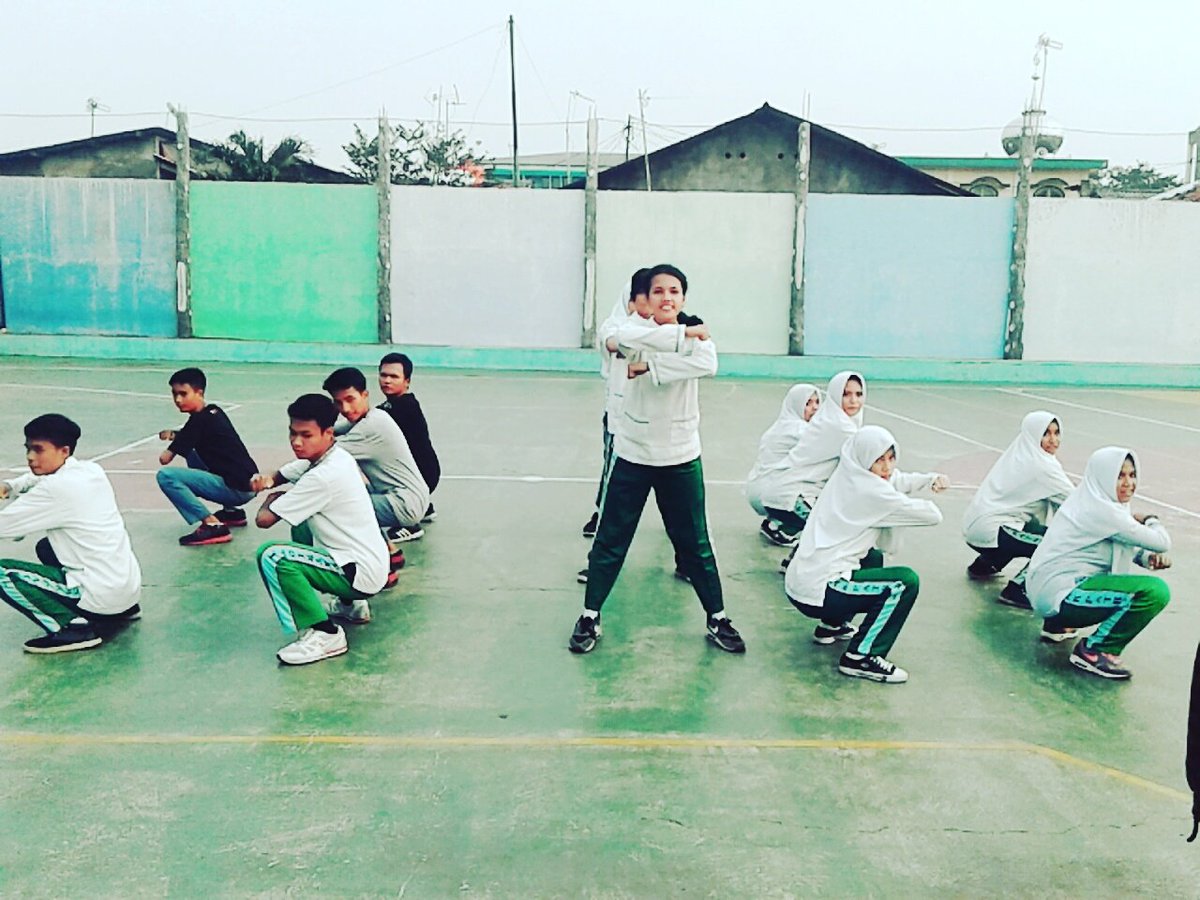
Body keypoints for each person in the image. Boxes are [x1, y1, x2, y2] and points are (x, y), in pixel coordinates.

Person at [568, 263, 745, 655]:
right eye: (658, 291)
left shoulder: (692, 332)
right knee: (611, 539)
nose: (667, 297)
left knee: (696, 542)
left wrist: (651, 365)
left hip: (681, 456)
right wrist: (681, 337)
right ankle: (590, 615)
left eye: (674, 291)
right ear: (645, 299)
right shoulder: (633, 330)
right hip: (634, 454)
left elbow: (707, 364)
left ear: (683, 297)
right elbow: (618, 340)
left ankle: (717, 617)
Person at [785, 426, 947, 684]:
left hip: (802, 583)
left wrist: (929, 479)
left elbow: (896, 479)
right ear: (864, 460)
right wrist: (922, 492)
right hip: (821, 590)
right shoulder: (871, 493)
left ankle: (832, 625)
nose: (887, 467)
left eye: (891, 458)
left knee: (872, 558)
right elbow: (932, 516)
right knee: (904, 582)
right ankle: (860, 657)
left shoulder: (848, 476)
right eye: (878, 460)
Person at [252, 394, 390, 666]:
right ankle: (350, 605)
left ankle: (326, 633)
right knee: (301, 518)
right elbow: (284, 473)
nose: (296, 442)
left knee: (273, 556)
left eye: (306, 435)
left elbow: (264, 520)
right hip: (369, 565)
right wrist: (269, 481)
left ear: (328, 433)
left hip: (358, 573)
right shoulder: (334, 457)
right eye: (292, 433)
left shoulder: (322, 477)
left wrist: (270, 498)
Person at [0, 414, 142, 653]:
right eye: (27, 449)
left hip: (100, 598)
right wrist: (11, 486)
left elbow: (4, 526)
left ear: (64, 451)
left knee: (3, 572)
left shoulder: (56, 489)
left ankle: (72, 628)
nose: (30, 457)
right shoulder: (90, 471)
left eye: (38, 450)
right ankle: (121, 612)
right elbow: (35, 479)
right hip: (126, 593)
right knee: (46, 546)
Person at [1026, 447, 1171, 680]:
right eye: (1119, 476)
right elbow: (1162, 542)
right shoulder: (1104, 511)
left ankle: (1057, 626)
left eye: (1132, 475)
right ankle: (1095, 651)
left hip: (1048, 591)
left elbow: (1116, 544)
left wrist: (1146, 557)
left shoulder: (1089, 501)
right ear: (1104, 477)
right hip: (1061, 594)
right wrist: (1150, 519)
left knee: (1116, 583)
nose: (1128, 483)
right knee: (1155, 592)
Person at [962, 411, 1074, 608]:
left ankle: (985, 564)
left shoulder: (1020, 454)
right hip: (993, 530)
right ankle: (1018, 590)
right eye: (1045, 433)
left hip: (979, 527)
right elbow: (1077, 503)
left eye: (1056, 433)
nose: (1053, 440)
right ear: (1033, 435)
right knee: (1057, 544)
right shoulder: (1042, 466)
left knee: (1032, 527)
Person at [759, 371, 865, 565]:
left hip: (779, 489)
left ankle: (793, 560)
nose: (853, 400)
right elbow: (865, 463)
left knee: (826, 519)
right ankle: (806, 569)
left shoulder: (828, 419)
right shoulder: (841, 427)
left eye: (858, 394)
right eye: (846, 394)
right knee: (831, 528)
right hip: (790, 495)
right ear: (835, 395)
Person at [323, 366, 429, 555]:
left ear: (365, 395)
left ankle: (370, 556)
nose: (345, 409)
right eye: (338, 403)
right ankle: (389, 551)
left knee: (335, 506)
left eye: (350, 400)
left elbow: (325, 456)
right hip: (410, 495)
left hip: (404, 502)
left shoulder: (371, 427)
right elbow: (335, 429)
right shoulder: (373, 415)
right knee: (351, 489)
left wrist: (277, 477)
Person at [581, 268, 653, 540]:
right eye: (644, 296)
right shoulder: (614, 327)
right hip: (621, 416)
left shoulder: (670, 329)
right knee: (614, 470)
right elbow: (614, 344)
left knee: (671, 483)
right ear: (631, 300)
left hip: (658, 418)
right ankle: (602, 515)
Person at [156, 367, 259, 546]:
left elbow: (164, 459)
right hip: (248, 484)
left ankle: (212, 524)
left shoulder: (196, 422)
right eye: (174, 394)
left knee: (166, 476)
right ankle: (231, 513)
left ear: (199, 392)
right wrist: (176, 436)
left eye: (183, 394)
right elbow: (195, 436)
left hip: (238, 490)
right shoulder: (214, 412)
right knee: (193, 451)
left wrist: (174, 442)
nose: (178, 400)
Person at [745, 383, 821, 546]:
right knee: (823, 518)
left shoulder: (781, 425)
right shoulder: (799, 429)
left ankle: (775, 522)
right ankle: (784, 528)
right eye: (808, 403)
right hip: (772, 494)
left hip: (758, 492)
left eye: (817, 402)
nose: (815, 408)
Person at [378, 352, 440, 524]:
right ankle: (424, 506)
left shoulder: (404, 407)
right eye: (383, 375)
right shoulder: (394, 405)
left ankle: (409, 521)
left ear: (407, 381)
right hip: (425, 475)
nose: (387, 380)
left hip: (421, 477)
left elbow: (364, 422)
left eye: (394, 377)